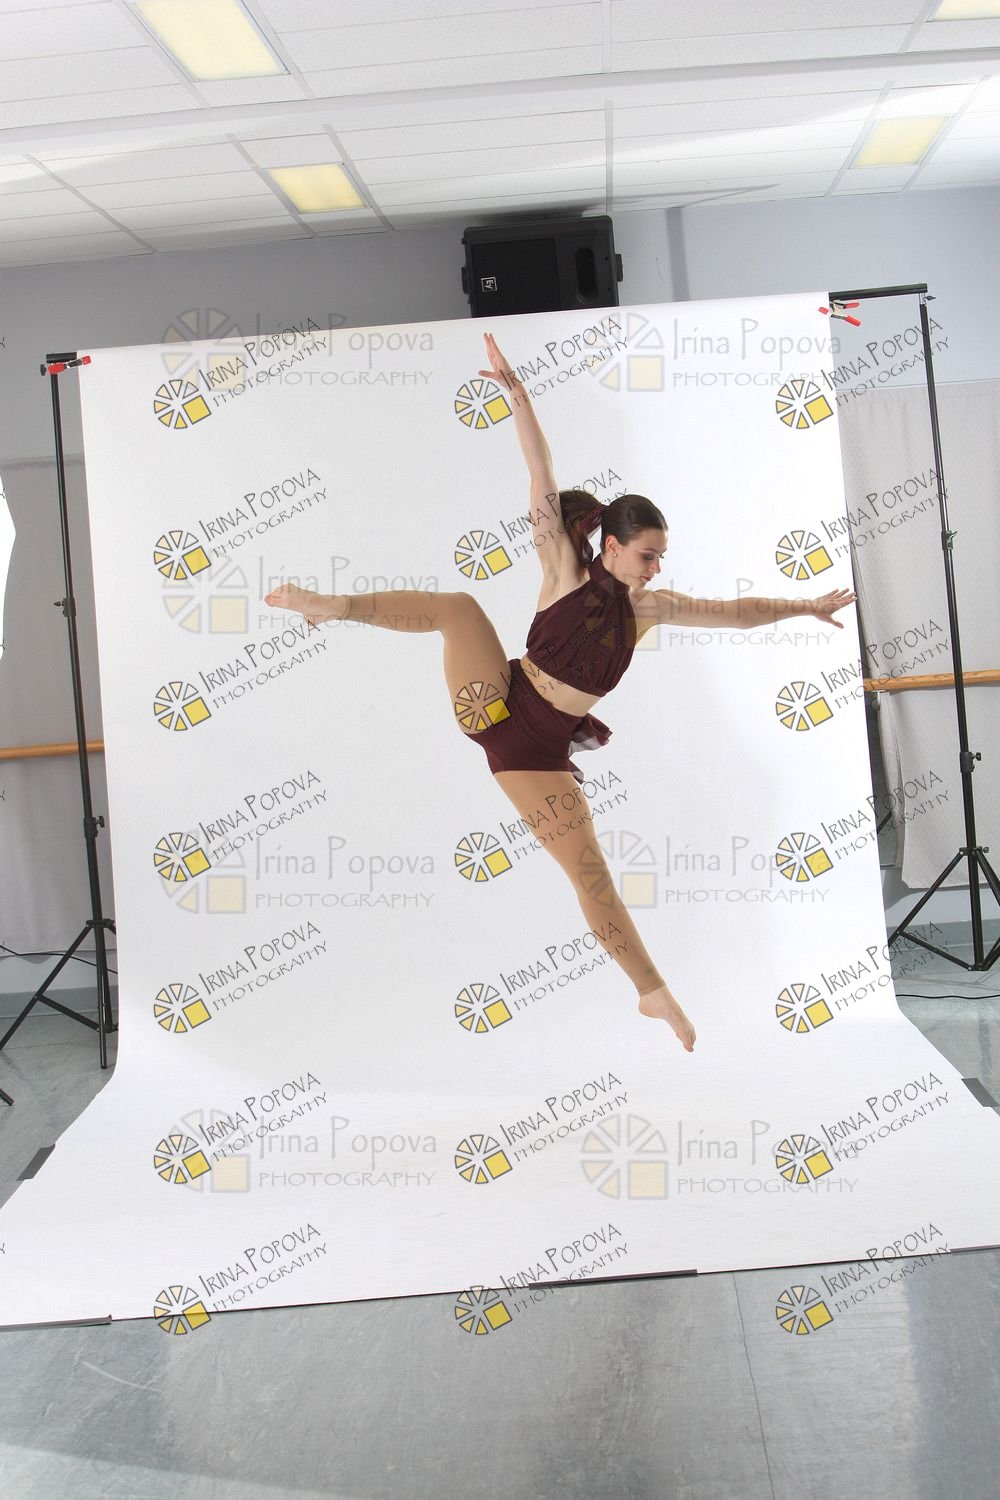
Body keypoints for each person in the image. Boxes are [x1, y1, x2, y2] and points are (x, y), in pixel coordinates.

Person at [265, 332, 856, 1053]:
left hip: (538, 752)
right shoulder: (562, 572)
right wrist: (519, 398)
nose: (656, 566)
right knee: (459, 608)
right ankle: (334, 607)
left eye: (661, 556)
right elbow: (540, 470)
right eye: (647, 554)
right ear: (611, 545)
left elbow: (736, 614)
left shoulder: (650, 608)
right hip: (496, 703)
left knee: (590, 874)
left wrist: (804, 606)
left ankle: (654, 993)